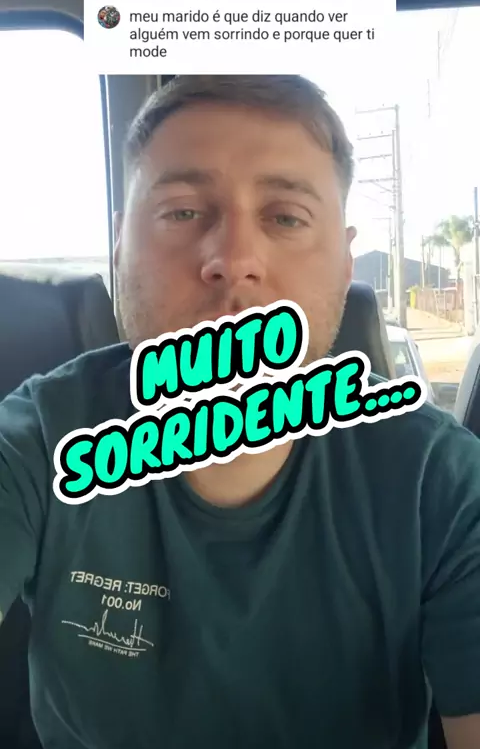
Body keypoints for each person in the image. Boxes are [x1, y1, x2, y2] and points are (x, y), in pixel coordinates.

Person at [0, 75, 479, 749]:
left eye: (285, 217)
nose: (232, 260)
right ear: (120, 246)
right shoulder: (36, 444)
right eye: (182, 212)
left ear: (346, 263)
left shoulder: (444, 484)